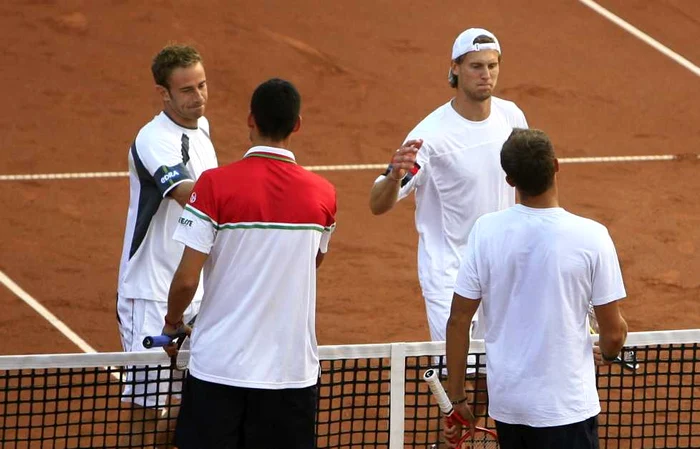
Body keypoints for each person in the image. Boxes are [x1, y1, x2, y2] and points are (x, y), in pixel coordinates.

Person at [162, 78, 337, 449]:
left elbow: (185, 281)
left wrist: (172, 321)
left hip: (219, 371)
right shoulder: (324, 196)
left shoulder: (212, 186)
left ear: (250, 120)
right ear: (297, 124)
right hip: (291, 376)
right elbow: (311, 264)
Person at [444, 128, 629, 449]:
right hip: (568, 408)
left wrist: (458, 398)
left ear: (510, 181)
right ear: (556, 166)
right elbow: (613, 333)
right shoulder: (593, 236)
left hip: (510, 407)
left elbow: (459, 321)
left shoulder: (485, 232)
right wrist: (610, 353)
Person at [369, 27, 528, 346]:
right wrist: (393, 176)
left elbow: (526, 182)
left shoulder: (511, 117)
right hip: (450, 276)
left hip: (502, 266)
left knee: (497, 368)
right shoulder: (429, 137)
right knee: (454, 375)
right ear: (455, 68)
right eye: (476, 66)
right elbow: (378, 203)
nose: (486, 75)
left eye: (492, 66)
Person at [116, 44, 218, 447]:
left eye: (203, 85)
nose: (199, 97)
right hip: (151, 293)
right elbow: (187, 194)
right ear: (164, 94)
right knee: (146, 408)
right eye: (188, 90)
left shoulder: (203, 129)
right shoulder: (153, 139)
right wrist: (246, 195)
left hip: (193, 287)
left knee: (186, 401)